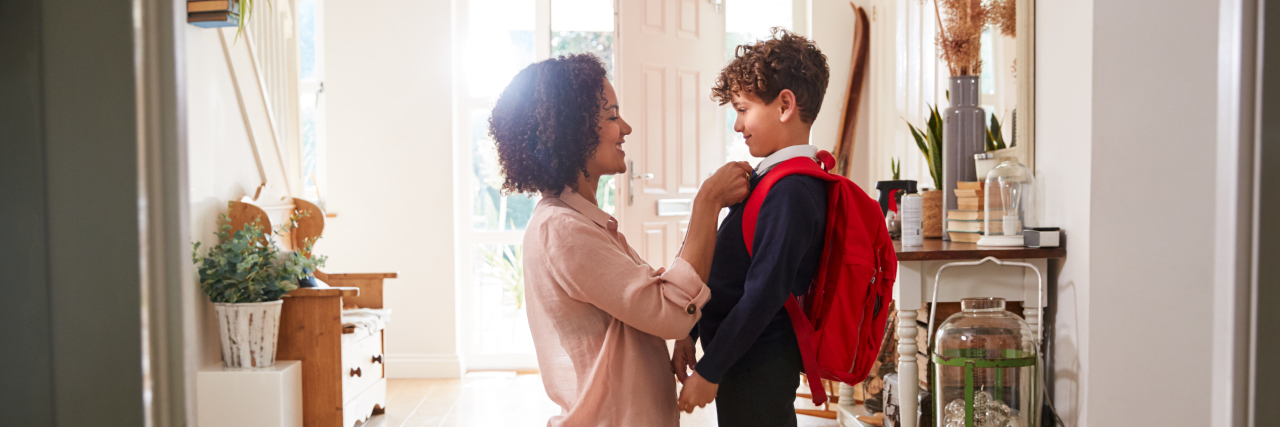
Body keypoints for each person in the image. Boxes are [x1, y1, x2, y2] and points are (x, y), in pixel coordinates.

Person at [488, 53, 753, 427]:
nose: (625, 128)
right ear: (573, 130)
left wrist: (683, 332)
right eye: (612, 116)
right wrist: (708, 201)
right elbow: (671, 312)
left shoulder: (581, 222)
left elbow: (653, 299)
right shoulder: (563, 230)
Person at [674, 28, 833, 427]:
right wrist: (689, 333)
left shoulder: (793, 190)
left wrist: (711, 368)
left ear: (784, 105)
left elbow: (765, 292)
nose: (737, 125)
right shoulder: (773, 181)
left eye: (743, 109)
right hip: (742, 359)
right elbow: (729, 268)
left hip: (758, 364)